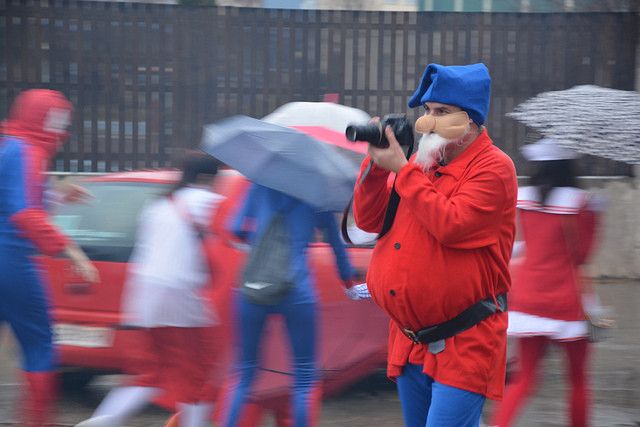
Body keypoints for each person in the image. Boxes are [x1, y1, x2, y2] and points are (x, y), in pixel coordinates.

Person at [352, 63, 518, 427]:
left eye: (441, 112)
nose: (428, 122)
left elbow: (453, 225)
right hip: (411, 339)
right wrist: (377, 167)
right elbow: (368, 221)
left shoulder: (495, 168)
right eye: (427, 111)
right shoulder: (421, 164)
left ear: (470, 121)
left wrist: (403, 171)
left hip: (465, 339)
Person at [76, 152, 224, 427]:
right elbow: (236, 239)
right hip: (181, 296)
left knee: (153, 373)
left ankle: (101, 422)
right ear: (209, 178)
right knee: (197, 373)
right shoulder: (210, 202)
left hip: (144, 294)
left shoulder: (159, 204)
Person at [0, 89, 98, 426]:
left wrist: (57, 194)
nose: (61, 130)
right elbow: (24, 213)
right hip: (12, 260)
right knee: (41, 347)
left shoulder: (10, 144)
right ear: (42, 119)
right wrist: (70, 249)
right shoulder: (27, 151)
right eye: (57, 120)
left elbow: (13, 200)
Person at [220, 183, 356, 427]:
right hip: (297, 290)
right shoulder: (317, 192)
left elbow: (235, 227)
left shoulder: (259, 185)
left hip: (253, 287)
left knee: (244, 373)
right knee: (304, 375)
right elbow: (337, 244)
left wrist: (260, 240)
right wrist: (348, 280)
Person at [489, 138, 604, 427]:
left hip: (527, 296)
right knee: (577, 379)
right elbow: (582, 257)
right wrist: (594, 217)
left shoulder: (526, 198)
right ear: (568, 166)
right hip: (567, 300)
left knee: (524, 378)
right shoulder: (582, 204)